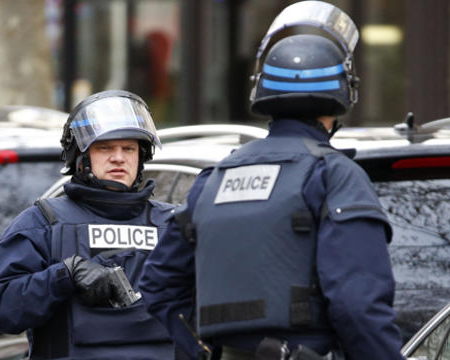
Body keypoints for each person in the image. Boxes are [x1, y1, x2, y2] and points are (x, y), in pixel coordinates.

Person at [138, 2, 405, 359]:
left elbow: (158, 286)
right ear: (343, 94)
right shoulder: (334, 176)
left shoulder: (214, 180)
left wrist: (204, 351)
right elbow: (357, 304)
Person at [0, 90, 176, 359]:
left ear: (140, 156)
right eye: (105, 148)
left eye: (129, 148)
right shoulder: (42, 224)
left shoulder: (173, 225)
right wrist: (65, 274)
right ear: (80, 157)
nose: (119, 158)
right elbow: (4, 311)